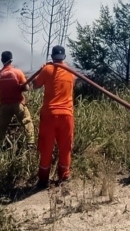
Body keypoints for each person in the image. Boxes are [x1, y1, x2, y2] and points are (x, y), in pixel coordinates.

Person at [32, 45, 76, 188]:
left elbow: (36, 85)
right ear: (63, 57)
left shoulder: (47, 69)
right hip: (66, 115)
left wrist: (41, 70)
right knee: (65, 147)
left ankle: (43, 180)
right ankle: (64, 176)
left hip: (50, 115)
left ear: (52, 57)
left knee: (46, 147)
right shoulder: (71, 73)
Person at [0, 51, 35, 146]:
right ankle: (30, 143)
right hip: (18, 104)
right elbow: (26, 88)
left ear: (2, 60)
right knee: (27, 122)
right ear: (11, 60)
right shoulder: (18, 72)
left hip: (4, 106)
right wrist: (21, 86)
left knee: (2, 127)